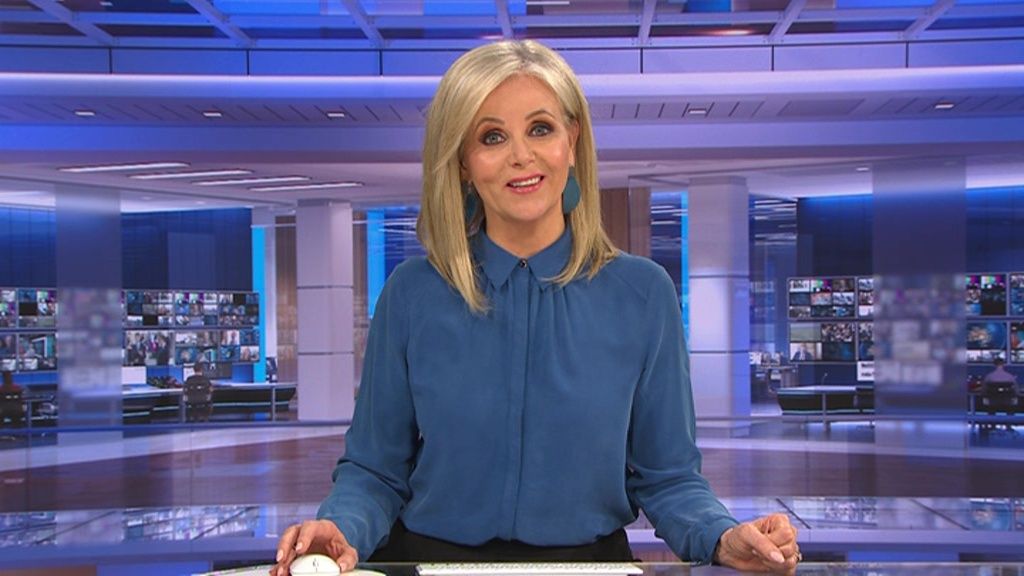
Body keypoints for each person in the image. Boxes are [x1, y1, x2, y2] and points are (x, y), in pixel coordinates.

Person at [272, 40, 799, 576]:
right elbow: (374, 470)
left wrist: (720, 535)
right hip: (431, 562)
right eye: (492, 136)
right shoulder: (412, 294)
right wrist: (341, 526)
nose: (520, 155)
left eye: (540, 128)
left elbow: (669, 477)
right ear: (462, 163)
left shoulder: (643, 294)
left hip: (590, 568)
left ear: (572, 139)